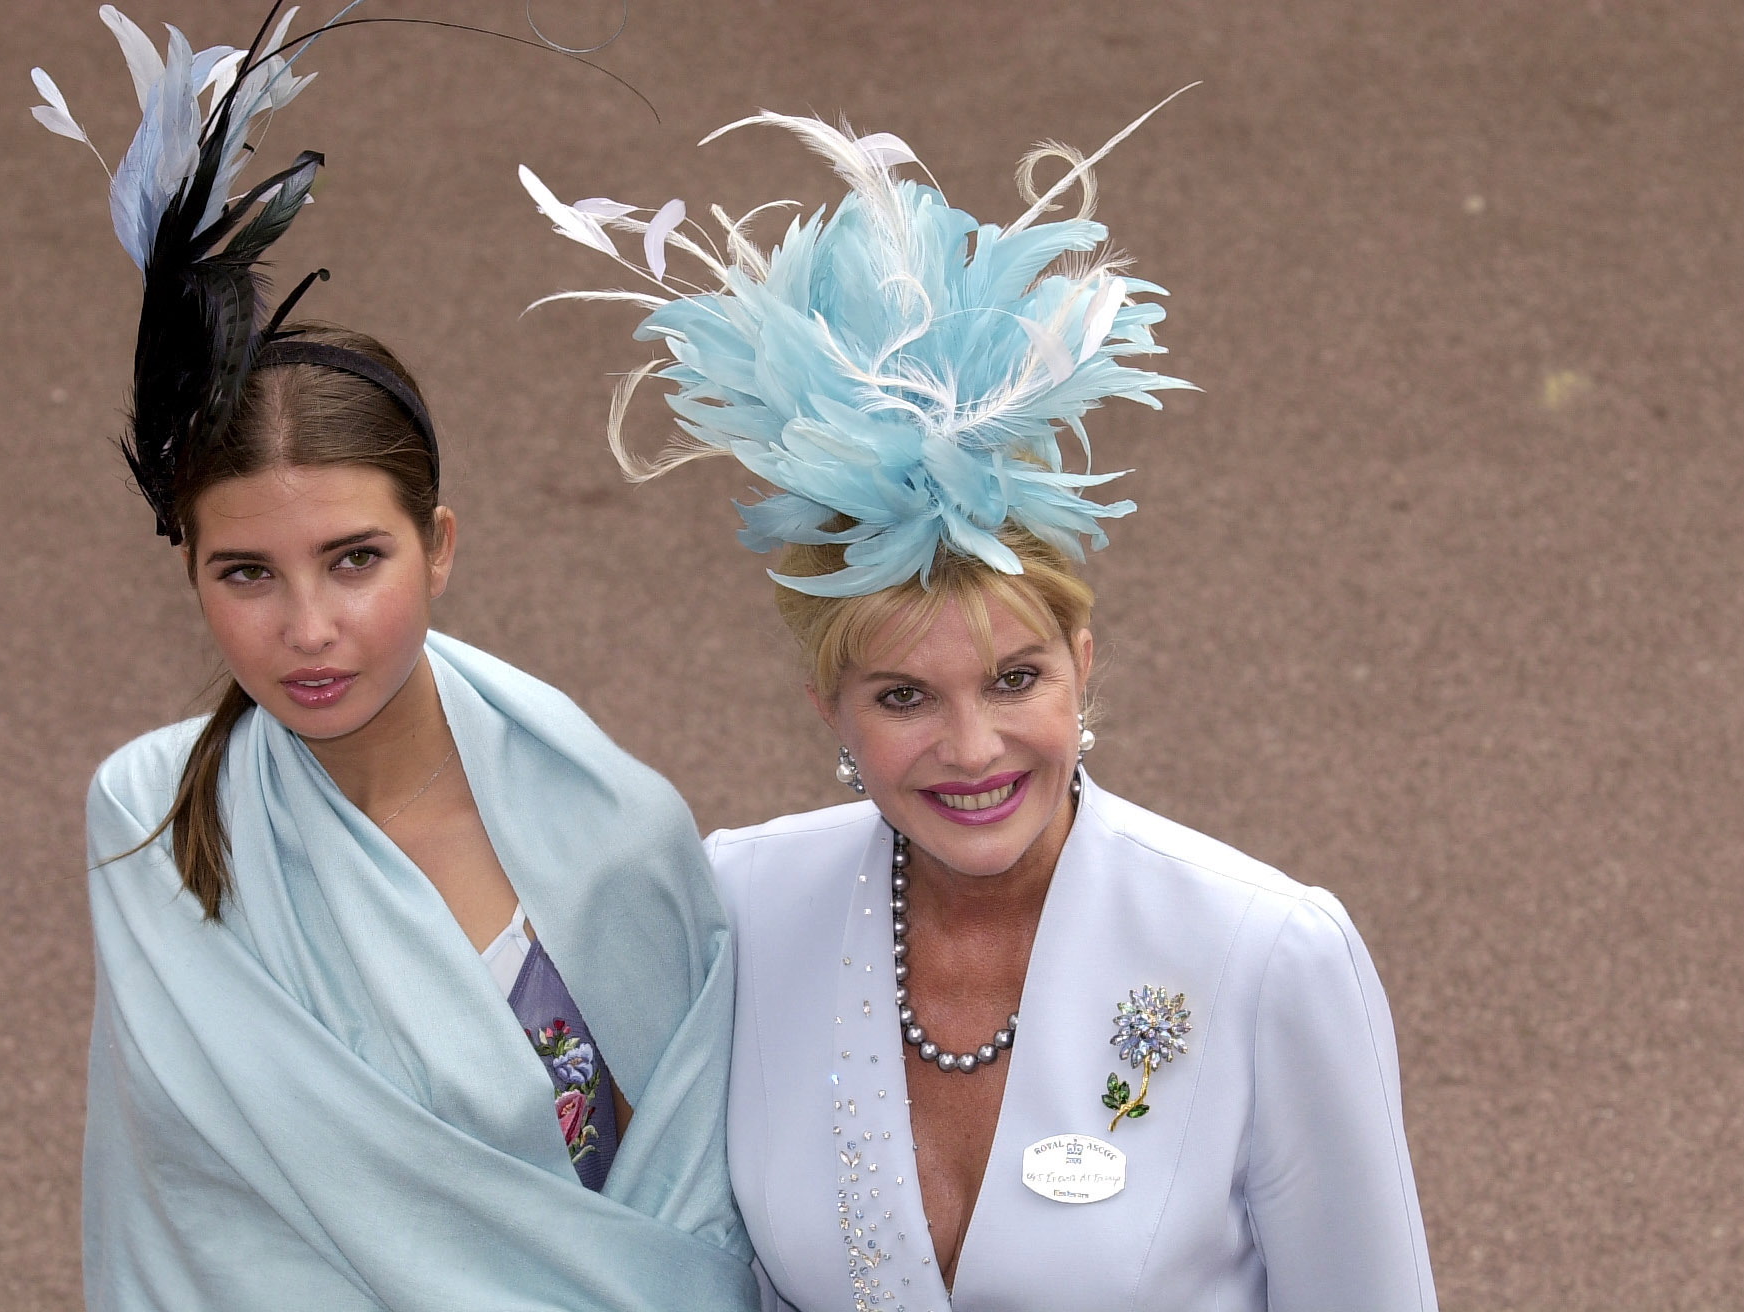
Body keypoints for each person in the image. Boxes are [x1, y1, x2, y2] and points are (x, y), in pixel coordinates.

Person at [526, 109, 1438, 1309]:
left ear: (1083, 661)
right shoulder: (736, 908)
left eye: (1015, 679)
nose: (971, 750)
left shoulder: (1267, 952)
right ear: (829, 708)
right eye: (903, 695)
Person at [33, 11, 756, 1309]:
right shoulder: (148, 820)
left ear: (442, 547)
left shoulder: (620, 836)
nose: (308, 628)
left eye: (355, 559)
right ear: (189, 572)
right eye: (245, 573)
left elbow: (692, 1211)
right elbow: (201, 1232)